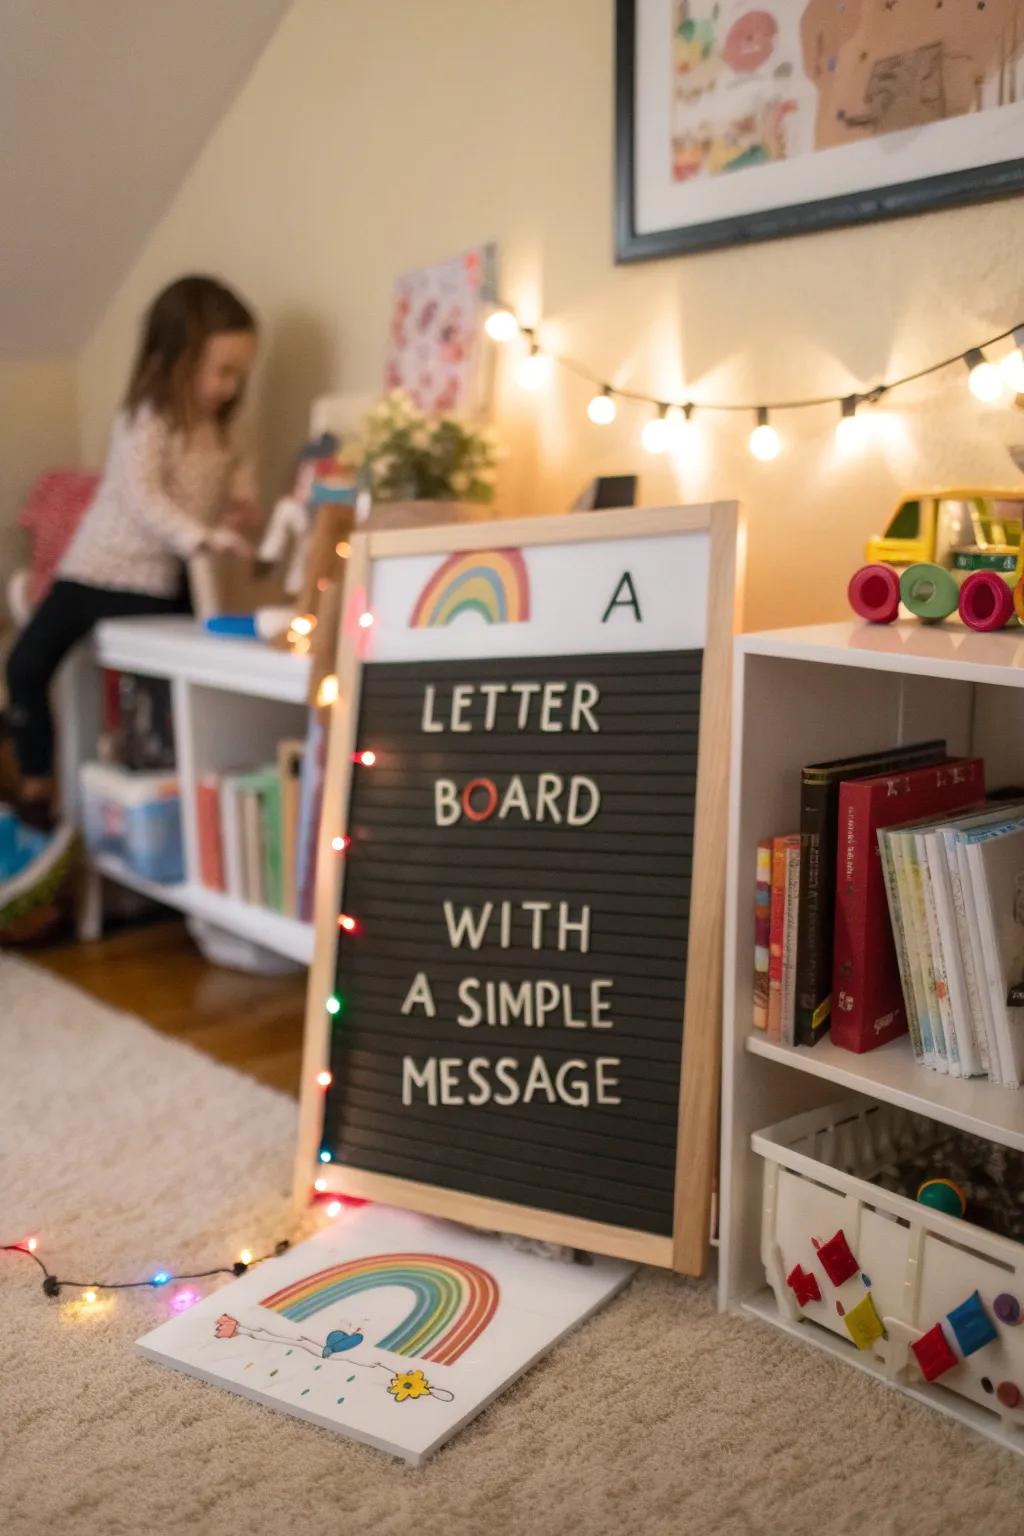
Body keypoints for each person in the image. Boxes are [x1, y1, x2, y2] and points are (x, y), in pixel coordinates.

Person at [5, 275, 259, 838]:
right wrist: (201, 535)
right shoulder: (147, 420)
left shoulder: (219, 433)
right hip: (101, 570)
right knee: (24, 665)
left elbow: (233, 482)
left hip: (170, 580)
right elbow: (145, 499)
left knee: (186, 681)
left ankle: (176, 797)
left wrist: (238, 510)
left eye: (239, 374)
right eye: (220, 371)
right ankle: (35, 783)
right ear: (176, 360)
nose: (229, 386)